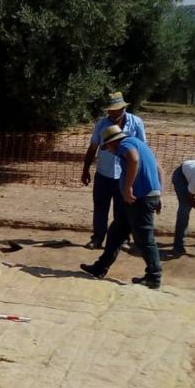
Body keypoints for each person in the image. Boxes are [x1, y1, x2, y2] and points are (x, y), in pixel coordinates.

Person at [80, 125, 163, 288]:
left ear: (114, 142)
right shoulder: (139, 144)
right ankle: (100, 268)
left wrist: (127, 187)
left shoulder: (125, 145)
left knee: (145, 239)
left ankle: (154, 276)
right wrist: (158, 193)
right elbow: (159, 168)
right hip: (139, 198)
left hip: (140, 199)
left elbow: (134, 159)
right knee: (116, 233)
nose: (109, 151)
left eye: (108, 147)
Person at [81, 91, 147, 249]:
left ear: (123, 108)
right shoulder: (101, 124)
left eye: (114, 109)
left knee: (123, 210)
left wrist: (138, 176)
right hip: (103, 173)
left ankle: (123, 239)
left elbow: (142, 149)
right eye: (109, 110)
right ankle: (97, 238)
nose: (111, 113)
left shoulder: (136, 123)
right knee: (100, 208)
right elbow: (92, 148)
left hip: (125, 176)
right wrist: (85, 170)